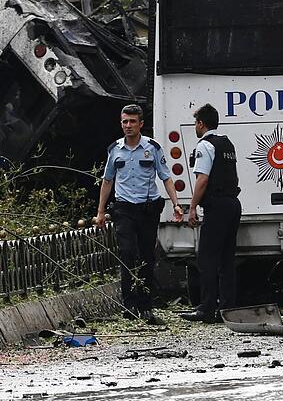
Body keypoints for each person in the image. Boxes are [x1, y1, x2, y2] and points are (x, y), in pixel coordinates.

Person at [97, 104, 184, 325]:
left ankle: (146, 306)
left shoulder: (152, 148)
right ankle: (129, 304)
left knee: (147, 255)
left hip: (147, 208)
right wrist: (100, 212)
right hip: (124, 207)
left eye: (132, 121)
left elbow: (166, 177)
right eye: (124, 121)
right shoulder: (115, 150)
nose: (128, 126)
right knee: (127, 253)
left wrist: (175, 204)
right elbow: (107, 181)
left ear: (141, 124)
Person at [181, 103, 242, 323]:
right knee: (226, 259)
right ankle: (227, 309)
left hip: (216, 205)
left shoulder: (205, 146)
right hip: (233, 203)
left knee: (206, 258)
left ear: (201, 123)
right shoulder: (227, 143)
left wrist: (193, 207)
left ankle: (206, 309)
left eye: (195, 123)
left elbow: (203, 179)